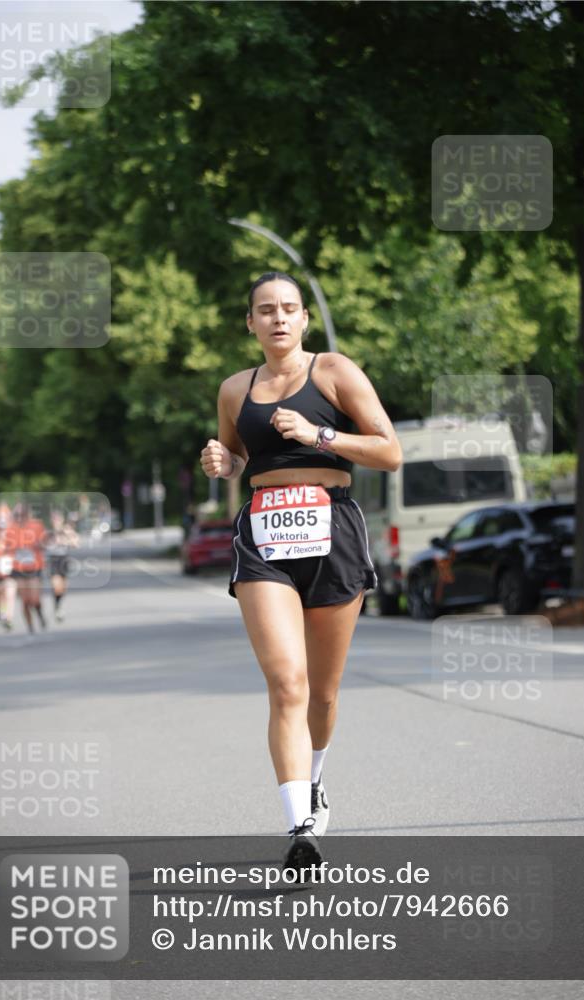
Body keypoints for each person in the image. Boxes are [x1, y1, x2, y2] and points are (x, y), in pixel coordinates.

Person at [200, 271, 402, 876]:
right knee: (287, 682)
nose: (279, 318)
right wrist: (222, 461)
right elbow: (239, 458)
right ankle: (299, 828)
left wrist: (320, 435)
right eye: (266, 310)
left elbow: (389, 451)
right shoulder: (234, 389)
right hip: (264, 532)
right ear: (251, 323)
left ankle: (314, 782)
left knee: (323, 691)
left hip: (332, 527)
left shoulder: (334, 371)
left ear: (305, 319)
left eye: (289, 308)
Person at [4, 503, 47, 633]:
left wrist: (38, 544)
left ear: (27, 514)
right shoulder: (10, 528)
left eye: (22, 514)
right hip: (18, 568)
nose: (19, 517)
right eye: (16, 515)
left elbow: (45, 543)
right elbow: (6, 547)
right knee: (25, 600)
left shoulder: (37, 526)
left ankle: (39, 613)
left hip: (34, 567)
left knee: (34, 599)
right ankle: (30, 626)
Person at [44, 510, 79, 622]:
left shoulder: (67, 530)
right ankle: (57, 608)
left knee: (63, 588)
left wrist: (67, 538)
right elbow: (42, 545)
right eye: (54, 519)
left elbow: (76, 544)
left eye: (58, 519)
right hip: (53, 560)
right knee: (56, 586)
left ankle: (58, 605)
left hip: (64, 560)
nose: (56, 521)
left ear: (62, 520)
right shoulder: (48, 533)